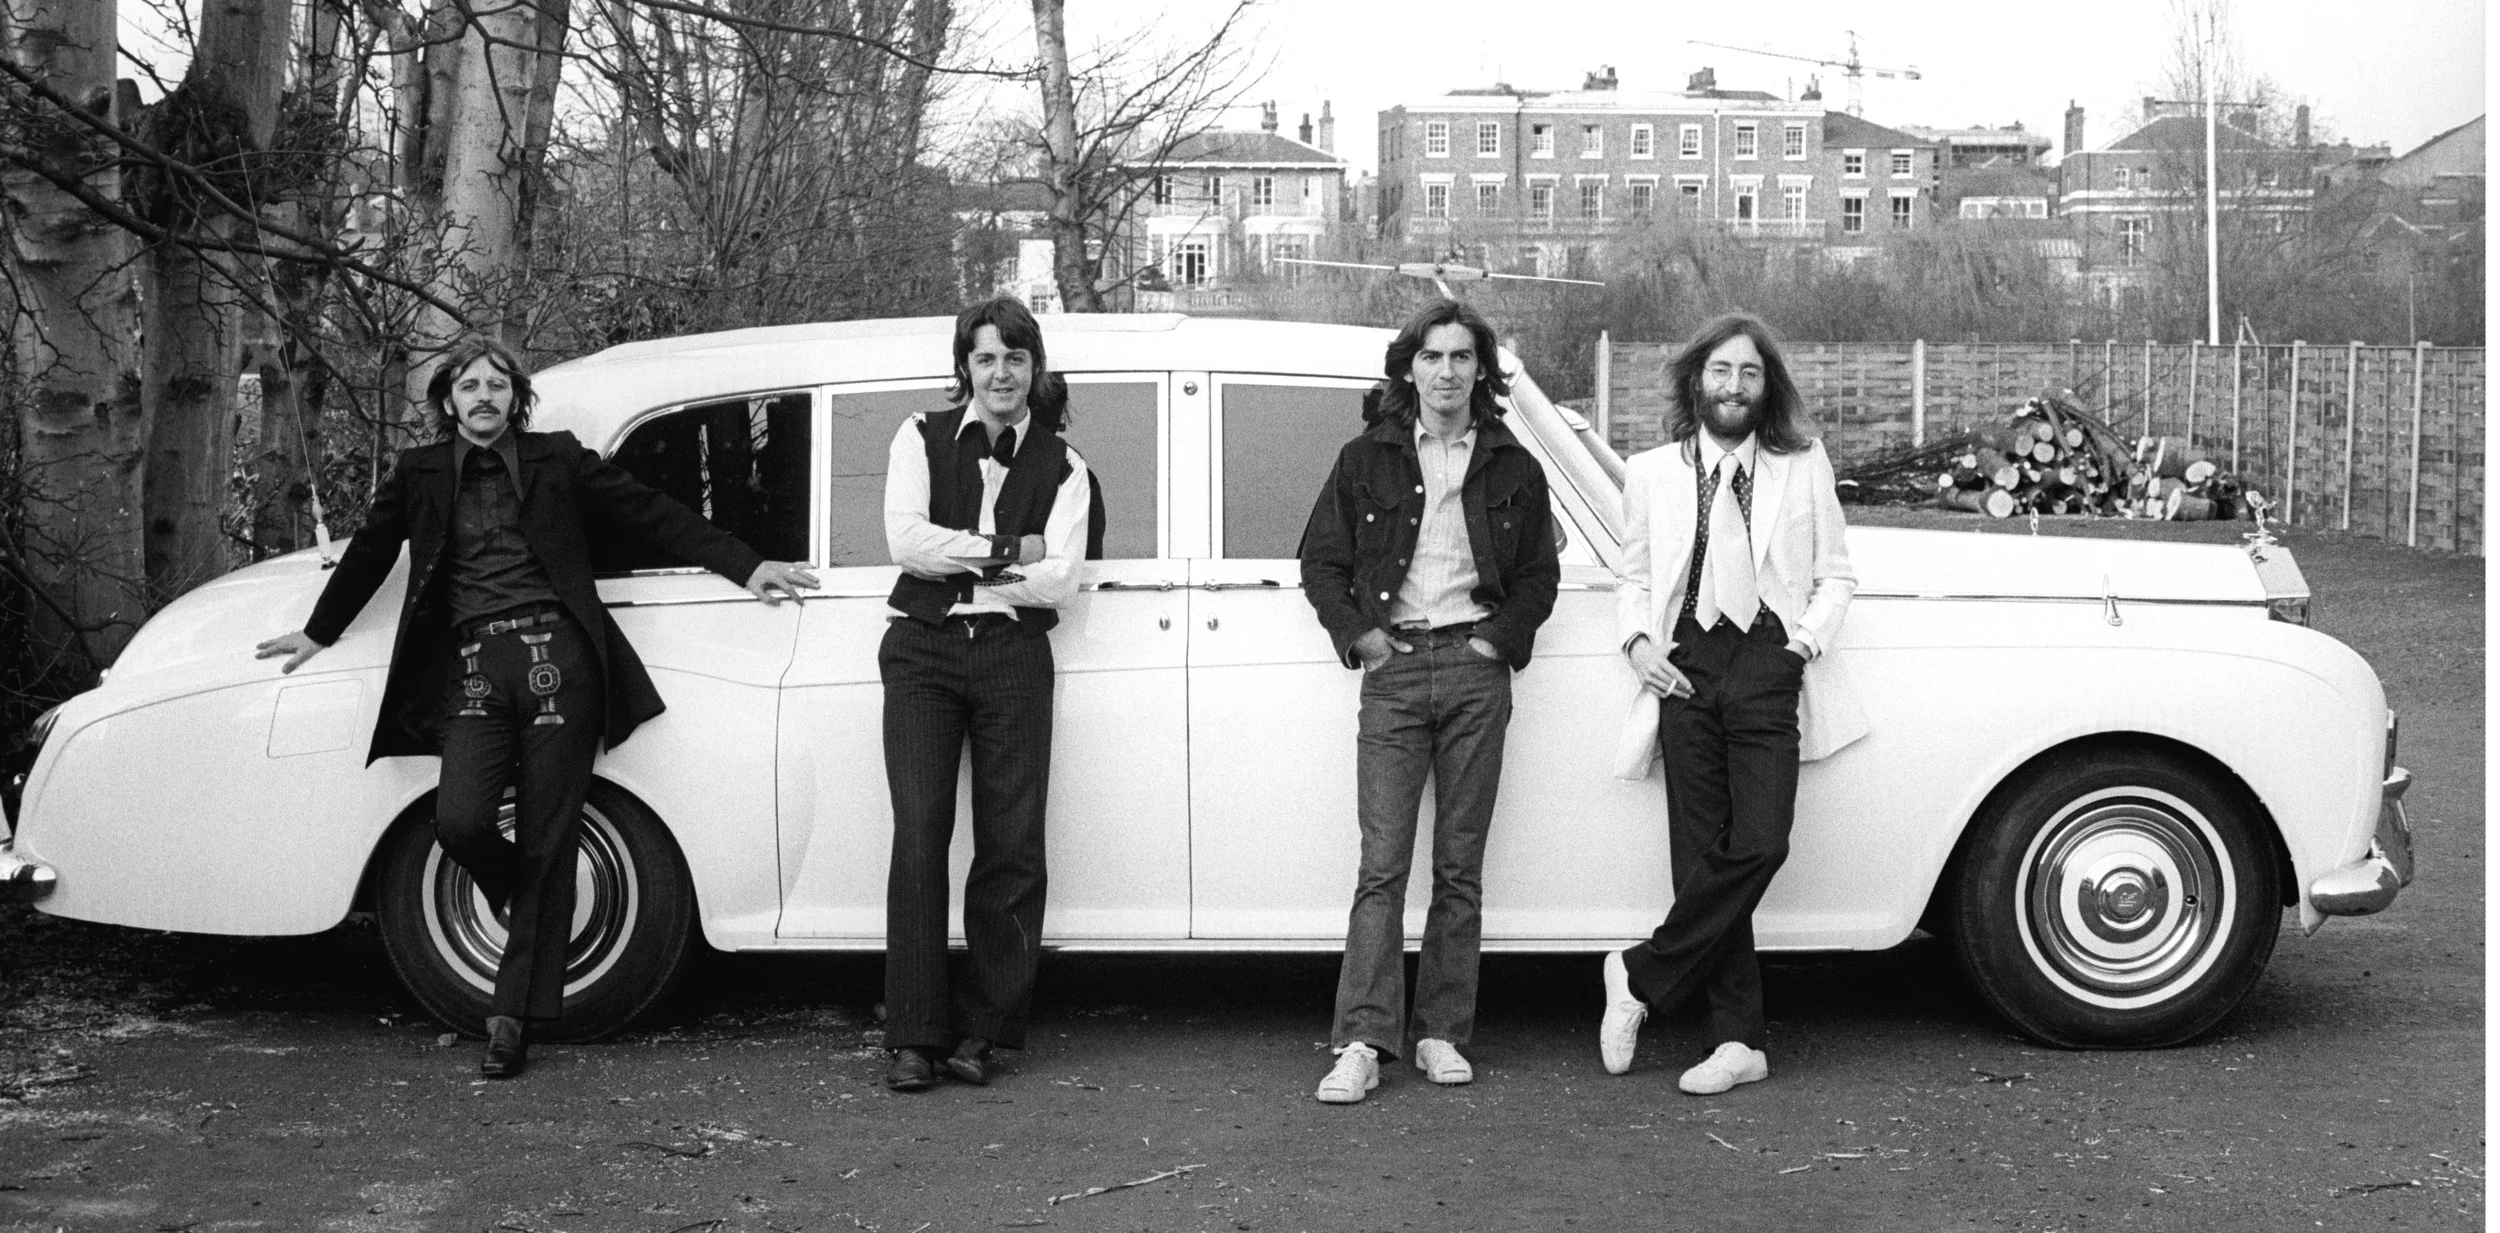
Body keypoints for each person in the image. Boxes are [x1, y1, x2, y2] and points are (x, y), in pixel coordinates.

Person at [254, 336, 816, 1079]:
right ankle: (529, 895)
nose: (483, 397)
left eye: (496, 385)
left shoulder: (560, 458)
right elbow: (371, 551)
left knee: (552, 838)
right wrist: (319, 631)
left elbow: (651, 513)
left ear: (515, 397)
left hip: (562, 662)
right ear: (448, 400)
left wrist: (748, 565)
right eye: (468, 386)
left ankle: (510, 1020)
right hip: (474, 671)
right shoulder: (420, 472)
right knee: (460, 821)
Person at [1298, 300, 1560, 1104]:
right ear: (1409, 368)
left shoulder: (1513, 466)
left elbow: (1539, 576)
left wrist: (1496, 642)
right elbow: (1320, 561)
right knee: (1382, 864)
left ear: (1481, 370)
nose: (1446, 371)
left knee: (1459, 865)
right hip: (1397, 670)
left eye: (1461, 356)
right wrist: (1363, 637)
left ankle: (1442, 1031)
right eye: (1432, 356)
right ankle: (1362, 1041)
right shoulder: (1365, 458)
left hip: (1477, 671)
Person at [1599, 312, 1866, 1094]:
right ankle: (1737, 1040)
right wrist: (1638, 646)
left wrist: (1800, 647)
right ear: (1697, 380)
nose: (1734, 385)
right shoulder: (1651, 472)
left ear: (1766, 386)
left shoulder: (1801, 463)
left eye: (1749, 372)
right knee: (1699, 855)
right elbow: (1633, 577)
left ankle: (1638, 973)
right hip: (1684, 663)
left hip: (1766, 660)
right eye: (1720, 370)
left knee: (1761, 840)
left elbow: (1837, 573)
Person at [878, 297, 1092, 1093]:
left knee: (1012, 840)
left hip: (1012, 654)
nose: (1001, 373)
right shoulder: (919, 435)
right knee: (919, 833)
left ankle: (985, 1031)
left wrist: (966, 567)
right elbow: (906, 541)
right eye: (986, 358)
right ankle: (914, 1033)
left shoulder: (1066, 467)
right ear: (964, 367)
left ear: (1035, 368)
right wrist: (1008, 550)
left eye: (1015, 358)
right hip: (922, 652)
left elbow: (1058, 579)